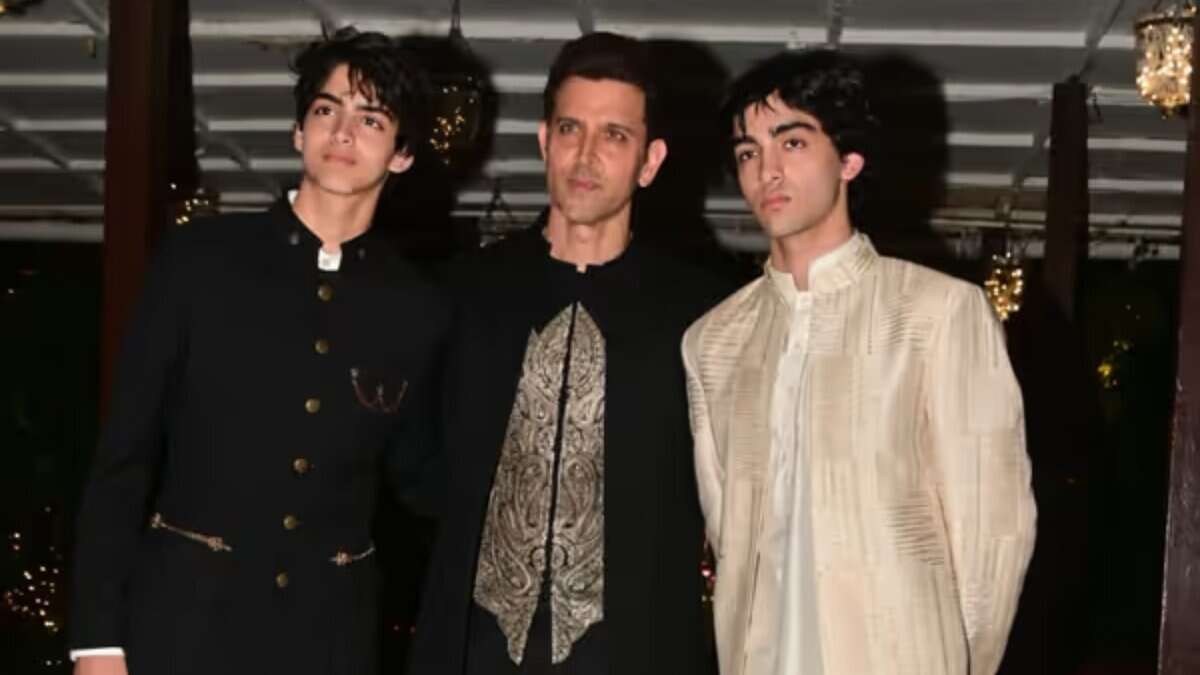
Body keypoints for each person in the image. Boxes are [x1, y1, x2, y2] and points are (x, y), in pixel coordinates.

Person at [69, 27, 448, 675]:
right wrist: (98, 642)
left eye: (371, 118)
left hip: (327, 642)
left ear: (403, 154)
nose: (343, 132)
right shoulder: (201, 261)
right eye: (326, 110)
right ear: (299, 131)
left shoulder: (418, 307)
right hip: (180, 627)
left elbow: (422, 476)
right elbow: (123, 458)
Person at [681, 49, 1037, 675]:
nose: (766, 170)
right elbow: (729, 534)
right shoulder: (713, 341)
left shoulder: (939, 313)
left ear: (849, 159)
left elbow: (993, 532)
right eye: (748, 152)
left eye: (792, 143)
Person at [407, 31, 730, 675]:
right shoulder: (464, 293)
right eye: (570, 129)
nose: (586, 155)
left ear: (650, 161)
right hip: (472, 650)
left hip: (635, 652)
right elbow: (415, 467)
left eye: (615, 135)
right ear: (544, 141)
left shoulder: (702, 315)